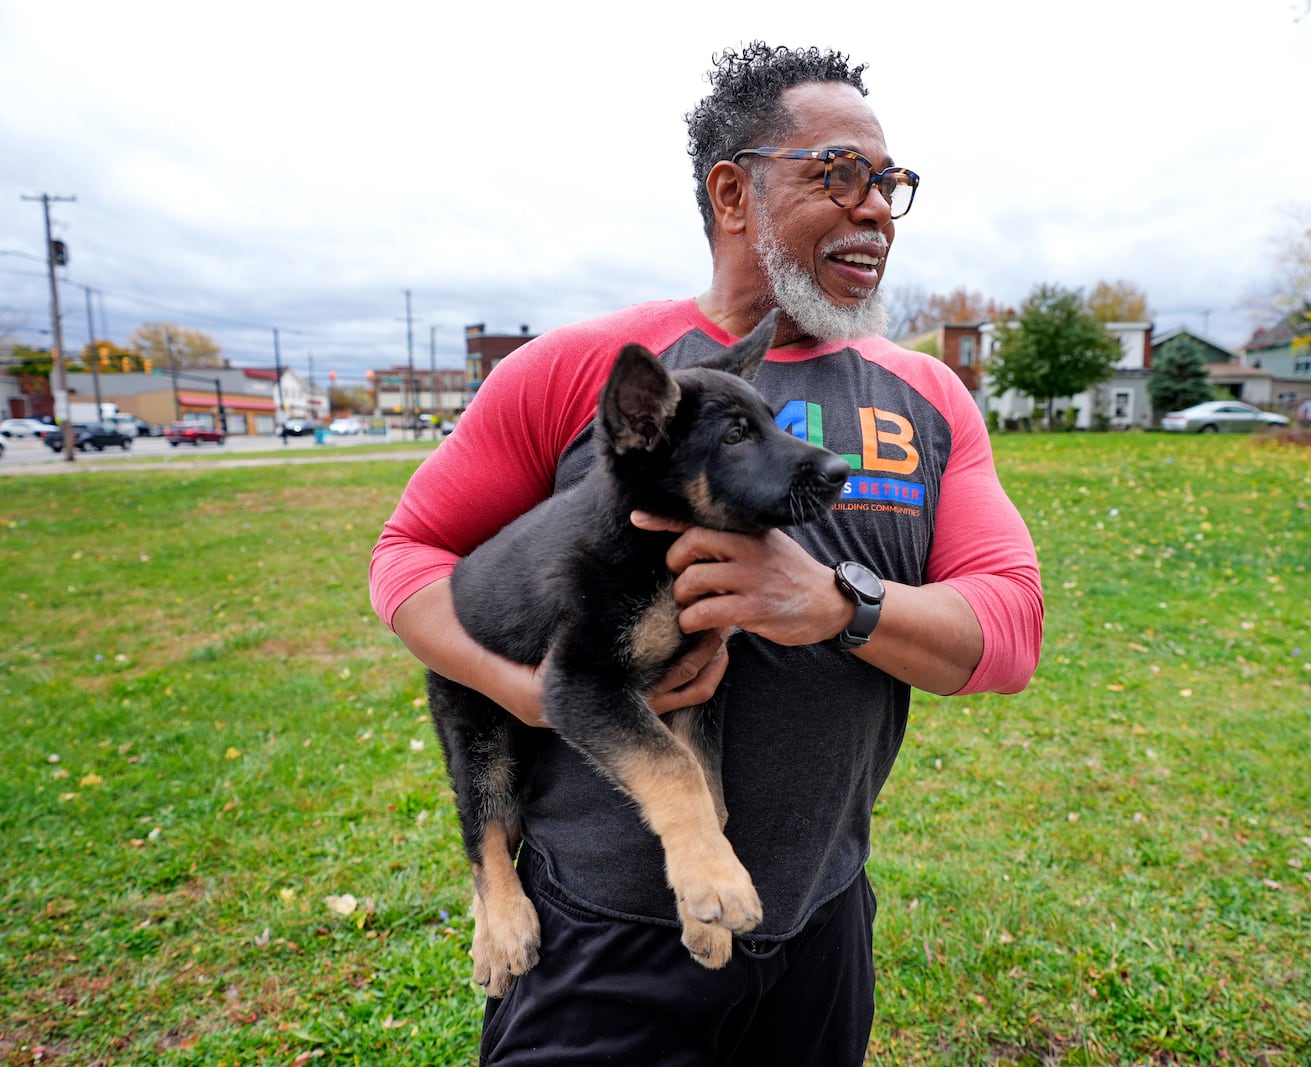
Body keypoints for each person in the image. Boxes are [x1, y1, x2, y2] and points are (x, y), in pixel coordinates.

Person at [370, 41, 1043, 1066]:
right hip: (601, 935)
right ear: (733, 190)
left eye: (890, 184)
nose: (874, 209)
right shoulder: (569, 371)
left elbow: (1006, 632)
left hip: (818, 910)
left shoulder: (930, 397)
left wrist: (839, 603)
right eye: (839, 173)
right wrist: (523, 686)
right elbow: (409, 555)